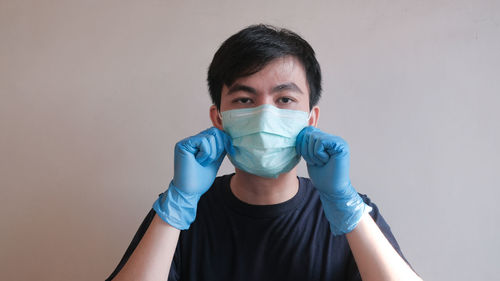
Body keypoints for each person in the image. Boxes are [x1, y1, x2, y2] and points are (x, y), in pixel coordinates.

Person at [106, 24, 422, 281]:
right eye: (245, 100)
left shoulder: (350, 213)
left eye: (284, 99)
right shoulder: (182, 211)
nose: (265, 115)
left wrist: (347, 207)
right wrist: (175, 209)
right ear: (218, 119)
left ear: (311, 120)